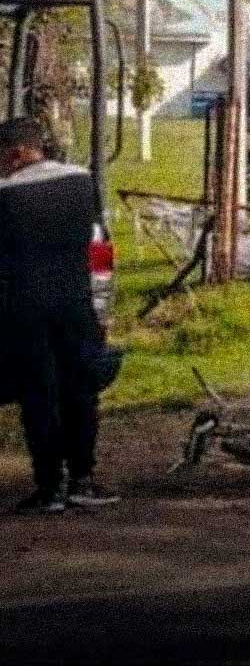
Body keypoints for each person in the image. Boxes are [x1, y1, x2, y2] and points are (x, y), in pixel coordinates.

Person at [0, 118, 118, 515]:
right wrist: (102, 306)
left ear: (17, 153)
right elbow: (99, 249)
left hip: (23, 311)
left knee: (38, 395)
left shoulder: (4, 196)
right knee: (81, 390)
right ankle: (83, 478)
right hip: (78, 305)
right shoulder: (83, 182)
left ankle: (50, 486)